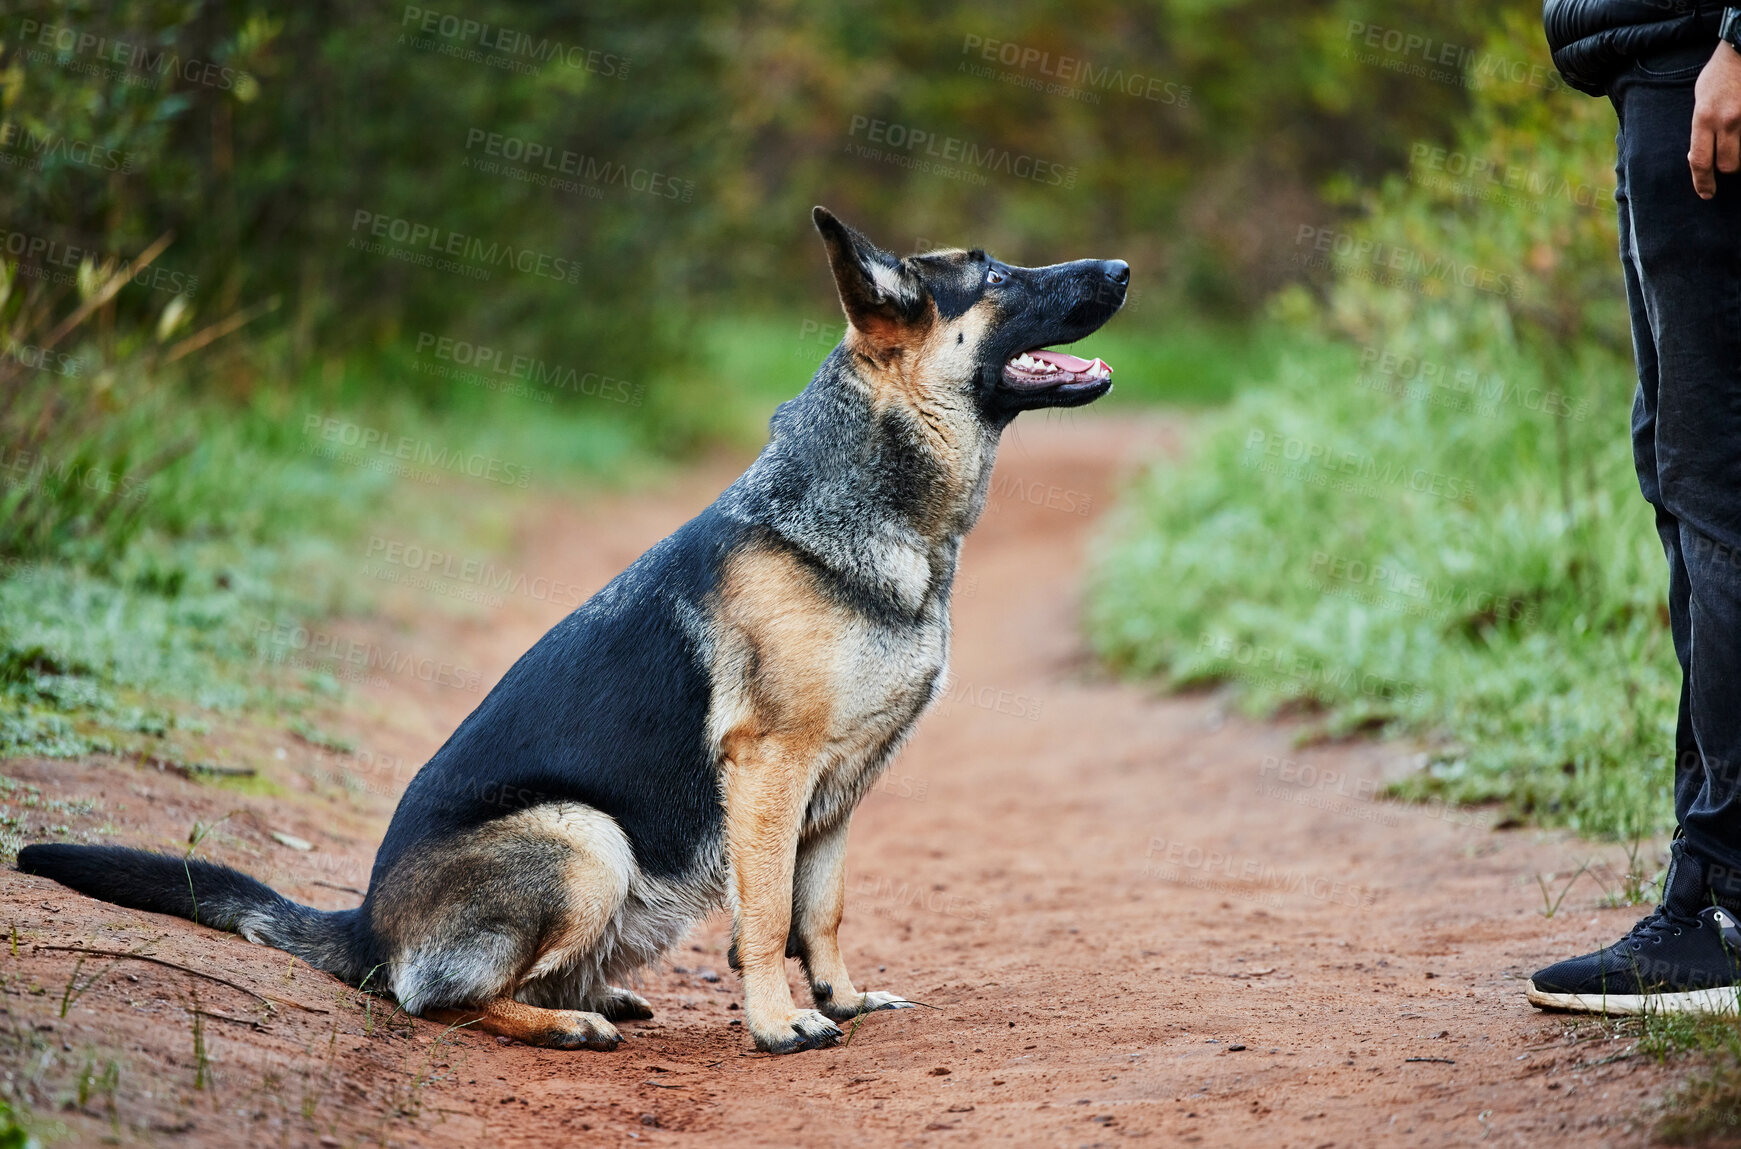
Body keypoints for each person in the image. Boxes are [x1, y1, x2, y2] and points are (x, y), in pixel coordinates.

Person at [1527, 2, 1741, 1013]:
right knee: (1682, 477)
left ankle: (1724, 901)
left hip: (1704, 66)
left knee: (1718, 488)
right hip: (1656, 76)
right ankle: (1706, 887)